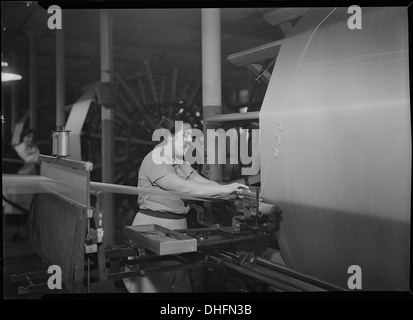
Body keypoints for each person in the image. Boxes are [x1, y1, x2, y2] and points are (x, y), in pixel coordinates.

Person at [123, 114, 249, 293]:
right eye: (185, 135)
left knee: (177, 282)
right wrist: (224, 191)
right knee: (155, 285)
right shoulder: (154, 160)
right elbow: (184, 187)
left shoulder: (179, 161)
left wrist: (231, 191)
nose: (190, 141)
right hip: (154, 226)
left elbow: (199, 181)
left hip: (177, 227)